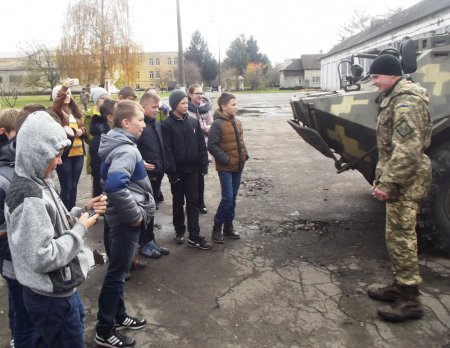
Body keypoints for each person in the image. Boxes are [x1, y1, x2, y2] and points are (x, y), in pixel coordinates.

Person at [5, 110, 106, 347]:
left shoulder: (39, 181)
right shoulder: (29, 197)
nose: (60, 161)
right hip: (51, 299)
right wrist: (80, 229)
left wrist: (80, 211)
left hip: (57, 293)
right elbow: (43, 256)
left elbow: (50, 224)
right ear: (37, 153)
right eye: (57, 155)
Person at [366, 54, 432, 322]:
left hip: (405, 182)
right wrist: (381, 177)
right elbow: (390, 149)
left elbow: (407, 149)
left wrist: (389, 182)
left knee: (402, 237)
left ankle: (411, 301)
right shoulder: (395, 98)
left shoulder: (406, 102)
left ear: (392, 75)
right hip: (398, 178)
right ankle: (401, 286)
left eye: (376, 77)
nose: (374, 82)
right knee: (396, 237)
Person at [95, 100, 155, 347]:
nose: (144, 125)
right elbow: (114, 185)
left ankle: (118, 316)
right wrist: (135, 217)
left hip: (119, 220)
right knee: (117, 274)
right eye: (140, 120)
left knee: (119, 272)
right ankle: (104, 329)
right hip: (124, 222)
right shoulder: (126, 150)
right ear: (125, 122)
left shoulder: (121, 145)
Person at [0, 109, 36, 348]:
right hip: (13, 259)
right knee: (23, 315)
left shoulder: (27, 168)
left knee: (19, 306)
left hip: (23, 259)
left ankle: (17, 335)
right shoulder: (5, 177)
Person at [162, 90, 212, 250]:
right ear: (174, 105)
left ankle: (194, 236)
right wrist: (172, 172)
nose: (186, 106)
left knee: (193, 202)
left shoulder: (192, 122)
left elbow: (201, 145)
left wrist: (203, 164)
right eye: (182, 103)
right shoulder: (166, 125)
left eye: (186, 103)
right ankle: (179, 230)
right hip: (177, 171)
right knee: (178, 202)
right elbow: (167, 150)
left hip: (193, 170)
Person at [208, 92, 248, 243]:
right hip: (225, 168)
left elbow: (241, 142)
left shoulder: (237, 122)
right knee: (227, 198)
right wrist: (226, 159)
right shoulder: (217, 124)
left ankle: (228, 226)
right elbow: (211, 145)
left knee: (233, 199)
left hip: (238, 166)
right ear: (223, 106)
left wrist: (245, 155)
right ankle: (217, 227)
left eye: (236, 104)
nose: (236, 107)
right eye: (233, 105)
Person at [137, 93, 170, 258]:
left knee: (151, 209)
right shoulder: (139, 126)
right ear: (143, 107)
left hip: (157, 173)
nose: (157, 110)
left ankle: (151, 240)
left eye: (158, 107)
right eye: (154, 108)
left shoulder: (155, 124)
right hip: (144, 176)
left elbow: (161, 146)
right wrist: (140, 162)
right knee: (145, 210)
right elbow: (131, 147)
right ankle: (144, 243)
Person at [51, 79, 88, 210]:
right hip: (65, 155)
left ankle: (71, 213)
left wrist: (81, 131)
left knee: (74, 186)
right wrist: (73, 131)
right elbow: (60, 129)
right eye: (64, 94)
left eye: (69, 94)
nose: (67, 96)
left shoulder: (75, 111)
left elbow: (84, 129)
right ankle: (63, 214)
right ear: (57, 97)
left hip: (78, 154)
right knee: (66, 187)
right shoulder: (55, 112)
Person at [187, 84, 213, 214]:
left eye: (201, 93)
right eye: (197, 93)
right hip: (191, 148)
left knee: (201, 177)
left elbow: (211, 123)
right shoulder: (187, 109)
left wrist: (208, 128)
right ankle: (191, 205)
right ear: (190, 95)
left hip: (203, 147)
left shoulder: (206, 108)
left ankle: (201, 203)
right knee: (191, 180)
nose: (200, 96)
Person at [90, 98, 116, 198]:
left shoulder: (115, 134)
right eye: (119, 113)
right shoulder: (100, 140)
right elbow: (98, 174)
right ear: (110, 118)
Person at [84, 86, 110, 178]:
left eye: (107, 98)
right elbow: (87, 137)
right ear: (96, 100)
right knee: (96, 183)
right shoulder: (88, 115)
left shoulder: (110, 114)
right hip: (95, 153)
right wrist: (100, 140)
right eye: (102, 98)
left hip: (108, 153)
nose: (105, 101)